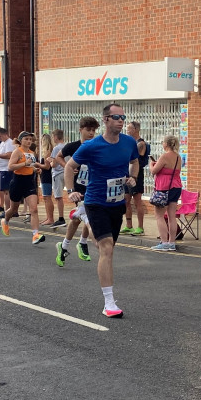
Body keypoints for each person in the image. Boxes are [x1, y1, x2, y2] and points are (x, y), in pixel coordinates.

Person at [64, 104, 140, 318]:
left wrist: (132, 176)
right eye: (116, 117)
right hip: (95, 202)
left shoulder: (129, 142)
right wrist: (70, 191)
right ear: (106, 119)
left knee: (106, 246)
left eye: (123, 117)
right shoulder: (92, 145)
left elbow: (135, 162)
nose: (121, 120)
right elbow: (70, 166)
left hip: (116, 204)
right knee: (106, 249)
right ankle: (109, 302)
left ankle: (86, 234)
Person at [56, 117, 98, 267]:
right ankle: (83, 243)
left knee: (76, 219)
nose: (91, 133)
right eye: (88, 130)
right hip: (78, 186)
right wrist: (67, 165)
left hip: (93, 184)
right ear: (80, 130)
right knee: (88, 212)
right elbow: (58, 156)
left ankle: (65, 246)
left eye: (93, 130)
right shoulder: (73, 146)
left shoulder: (96, 146)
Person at [1, 131, 48, 245]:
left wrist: (36, 169)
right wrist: (24, 164)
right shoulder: (17, 152)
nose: (29, 141)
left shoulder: (32, 153)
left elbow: (30, 167)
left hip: (29, 182)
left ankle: (35, 235)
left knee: (34, 209)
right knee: (13, 210)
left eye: (30, 140)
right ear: (21, 140)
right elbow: (10, 167)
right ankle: (5, 221)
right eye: (26, 139)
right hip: (17, 181)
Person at [149, 135, 183, 251]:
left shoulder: (164, 156)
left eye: (163, 142)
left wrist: (151, 164)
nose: (162, 144)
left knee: (159, 215)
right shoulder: (178, 157)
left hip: (163, 187)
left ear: (166, 144)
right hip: (176, 187)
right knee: (171, 215)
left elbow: (154, 171)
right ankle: (171, 243)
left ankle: (164, 242)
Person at [121, 120, 149, 236]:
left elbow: (134, 158)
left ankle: (140, 227)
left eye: (129, 129)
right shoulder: (130, 143)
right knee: (126, 200)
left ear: (136, 130)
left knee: (137, 201)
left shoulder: (140, 143)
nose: (127, 131)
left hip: (137, 175)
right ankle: (129, 226)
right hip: (126, 174)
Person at [0, 127, 15, 213]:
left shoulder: (9, 143)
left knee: (6, 191)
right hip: (1, 168)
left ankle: (8, 210)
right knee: (3, 190)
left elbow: (9, 155)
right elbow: (2, 154)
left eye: (0, 136)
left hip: (6, 169)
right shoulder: (2, 143)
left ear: (5, 134)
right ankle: (8, 210)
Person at [48, 129, 67, 228]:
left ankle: (61, 218)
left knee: (58, 197)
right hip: (66, 172)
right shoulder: (67, 146)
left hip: (57, 173)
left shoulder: (56, 148)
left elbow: (54, 165)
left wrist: (50, 160)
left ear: (55, 137)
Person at [38, 133, 56, 225]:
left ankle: (50, 218)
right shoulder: (49, 151)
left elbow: (47, 166)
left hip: (47, 176)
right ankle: (48, 217)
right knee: (46, 197)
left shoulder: (47, 152)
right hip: (45, 176)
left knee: (47, 197)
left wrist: (37, 165)